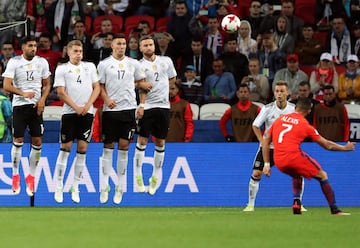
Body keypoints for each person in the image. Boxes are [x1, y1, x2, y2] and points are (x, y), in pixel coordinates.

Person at [262, 97, 355, 215]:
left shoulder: (279, 120)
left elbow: (265, 140)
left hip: (278, 159)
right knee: (322, 175)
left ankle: (296, 202)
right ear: (309, 111)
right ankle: (335, 209)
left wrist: (267, 163)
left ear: (295, 108)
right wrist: (345, 148)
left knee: (297, 174)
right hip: (293, 157)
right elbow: (327, 145)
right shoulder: (305, 125)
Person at [97, 34, 151, 204]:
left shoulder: (133, 63)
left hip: (128, 110)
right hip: (110, 110)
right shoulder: (104, 64)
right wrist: (106, 100)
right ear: (112, 46)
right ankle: (104, 186)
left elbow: (142, 84)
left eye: (124, 44)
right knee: (108, 147)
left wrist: (142, 104)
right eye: (118, 43)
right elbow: (100, 86)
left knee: (124, 146)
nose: (121, 46)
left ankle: (120, 187)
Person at [243, 81, 307, 212]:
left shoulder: (293, 109)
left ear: (287, 93)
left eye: (282, 91)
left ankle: (298, 202)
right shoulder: (267, 109)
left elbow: (301, 125)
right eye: (277, 91)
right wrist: (262, 141)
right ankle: (250, 205)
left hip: (287, 148)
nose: (279, 94)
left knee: (299, 173)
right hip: (269, 148)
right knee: (256, 173)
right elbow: (255, 125)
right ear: (274, 93)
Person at [2, 36, 51, 196]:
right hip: (19, 106)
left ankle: (31, 176)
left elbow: (47, 84)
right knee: (18, 140)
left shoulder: (42, 62)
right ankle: (15, 175)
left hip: (36, 106)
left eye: (35, 46)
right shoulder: (14, 62)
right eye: (30, 46)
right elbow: (6, 85)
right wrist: (23, 93)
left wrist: (43, 100)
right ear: (23, 47)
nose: (34, 48)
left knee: (37, 141)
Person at [53, 40, 100, 204]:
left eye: (80, 51)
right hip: (69, 113)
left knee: (82, 148)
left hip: (87, 113)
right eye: (75, 51)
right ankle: (59, 186)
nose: (78, 54)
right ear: (68, 52)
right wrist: (76, 107)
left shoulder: (90, 67)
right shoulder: (62, 69)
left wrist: (87, 106)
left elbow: (97, 88)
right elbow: (60, 92)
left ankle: (76, 186)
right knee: (65, 147)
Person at [134, 35, 177, 195]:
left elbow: (172, 78)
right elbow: (135, 84)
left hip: (163, 106)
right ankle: (138, 174)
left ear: (154, 46)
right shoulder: (138, 65)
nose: (148, 47)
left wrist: (163, 90)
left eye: (150, 44)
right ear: (140, 48)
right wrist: (142, 102)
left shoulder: (166, 61)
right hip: (147, 106)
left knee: (160, 142)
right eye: (145, 45)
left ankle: (156, 176)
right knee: (142, 140)